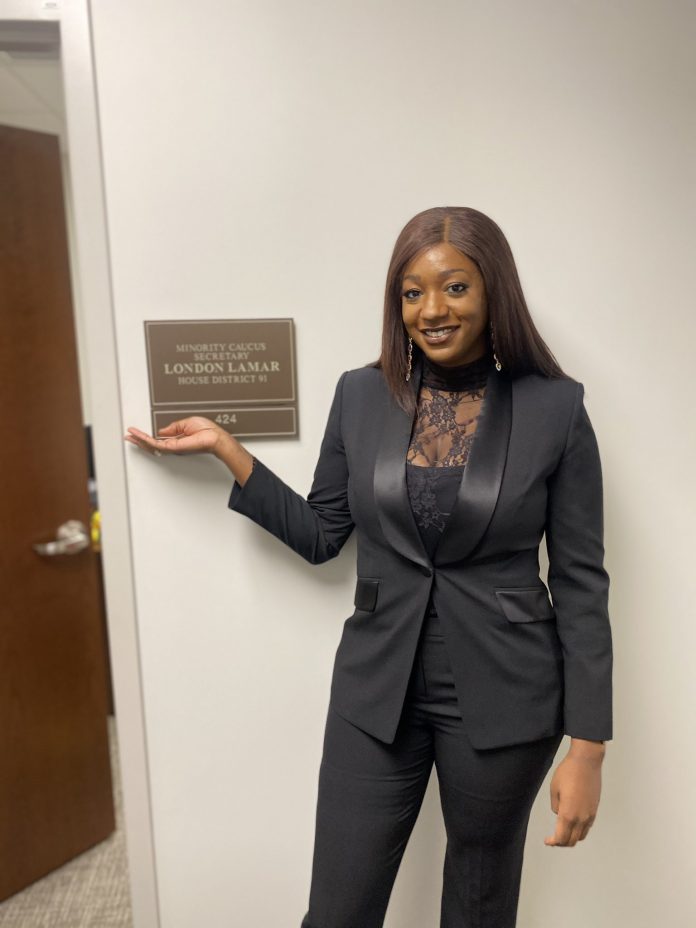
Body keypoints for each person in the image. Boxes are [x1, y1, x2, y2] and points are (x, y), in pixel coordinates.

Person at [125, 206, 612, 928]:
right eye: (412, 292)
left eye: (454, 287)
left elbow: (579, 580)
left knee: (479, 907)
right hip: (376, 690)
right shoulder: (361, 394)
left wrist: (589, 747)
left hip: (507, 697)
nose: (432, 309)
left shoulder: (555, 409)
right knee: (337, 912)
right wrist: (231, 453)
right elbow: (325, 534)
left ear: (493, 292)